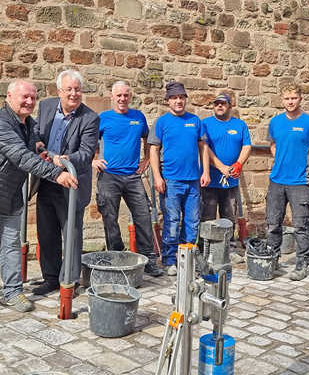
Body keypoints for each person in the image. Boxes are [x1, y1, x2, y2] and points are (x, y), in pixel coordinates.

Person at [0, 80, 77, 312]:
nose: (29, 102)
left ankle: (13, 291)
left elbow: (35, 145)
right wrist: (57, 174)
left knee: (11, 244)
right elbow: (21, 156)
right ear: (9, 96)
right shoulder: (3, 124)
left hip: (11, 196)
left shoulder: (28, 123)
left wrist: (48, 154)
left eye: (33, 98)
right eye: (24, 97)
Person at [32, 69, 99, 295]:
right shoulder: (47, 107)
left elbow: (87, 152)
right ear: (59, 91)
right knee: (46, 231)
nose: (73, 94)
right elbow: (37, 133)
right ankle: (50, 278)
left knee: (71, 233)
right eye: (69, 89)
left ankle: (68, 281)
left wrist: (65, 159)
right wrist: (40, 146)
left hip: (71, 182)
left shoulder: (90, 118)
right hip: (47, 178)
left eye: (77, 89)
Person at [92, 81, 163, 277]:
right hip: (109, 176)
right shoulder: (103, 118)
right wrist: (93, 160)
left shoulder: (138, 117)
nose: (122, 99)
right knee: (110, 218)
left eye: (126, 95)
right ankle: (117, 257)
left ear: (130, 96)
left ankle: (148, 259)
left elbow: (149, 141)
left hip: (133, 176)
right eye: (119, 95)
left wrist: (147, 160)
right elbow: (89, 141)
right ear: (112, 97)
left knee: (143, 216)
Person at [149, 81, 210, 276]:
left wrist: (206, 172)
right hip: (171, 181)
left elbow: (204, 148)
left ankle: (188, 257)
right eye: (174, 98)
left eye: (181, 98)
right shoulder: (162, 122)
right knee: (172, 221)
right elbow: (153, 150)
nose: (178, 101)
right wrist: (157, 177)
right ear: (168, 101)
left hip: (193, 181)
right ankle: (169, 260)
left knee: (192, 222)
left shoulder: (195, 121)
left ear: (185, 100)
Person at [266, 84, 309, 281]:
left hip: (300, 182)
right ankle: (272, 261)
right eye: (287, 98)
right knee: (273, 223)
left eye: (294, 98)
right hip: (277, 180)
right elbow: (272, 145)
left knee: (300, 225)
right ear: (282, 100)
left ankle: (301, 263)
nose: (290, 102)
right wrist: (280, 159)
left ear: (300, 99)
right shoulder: (275, 122)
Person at [201, 93, 251, 244]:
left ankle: (227, 247)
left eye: (223, 103)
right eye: (216, 104)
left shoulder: (240, 125)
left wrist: (238, 164)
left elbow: (247, 146)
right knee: (207, 216)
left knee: (229, 216)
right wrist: (221, 167)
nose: (219, 106)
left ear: (230, 105)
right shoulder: (205, 124)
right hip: (210, 180)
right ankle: (206, 248)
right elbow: (204, 148)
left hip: (231, 181)